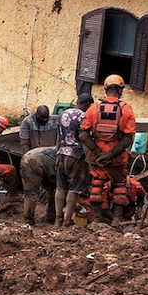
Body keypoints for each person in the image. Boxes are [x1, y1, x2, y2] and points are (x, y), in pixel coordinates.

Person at [79, 75, 137, 222]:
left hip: (97, 158)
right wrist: (110, 155)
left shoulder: (93, 108)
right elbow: (127, 139)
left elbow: (83, 135)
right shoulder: (127, 109)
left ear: (105, 90)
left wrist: (99, 153)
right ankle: (117, 221)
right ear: (121, 90)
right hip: (117, 158)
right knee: (120, 189)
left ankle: (97, 220)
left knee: (96, 187)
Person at [55, 93, 94, 227]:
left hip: (61, 154)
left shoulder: (62, 114)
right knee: (74, 189)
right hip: (76, 155)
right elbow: (83, 139)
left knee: (60, 188)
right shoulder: (83, 117)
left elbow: (58, 137)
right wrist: (88, 158)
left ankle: (57, 219)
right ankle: (67, 221)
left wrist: (57, 152)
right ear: (88, 104)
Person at [20, 147, 58, 225]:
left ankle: (51, 217)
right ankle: (28, 220)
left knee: (51, 189)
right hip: (34, 161)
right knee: (31, 192)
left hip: (31, 157)